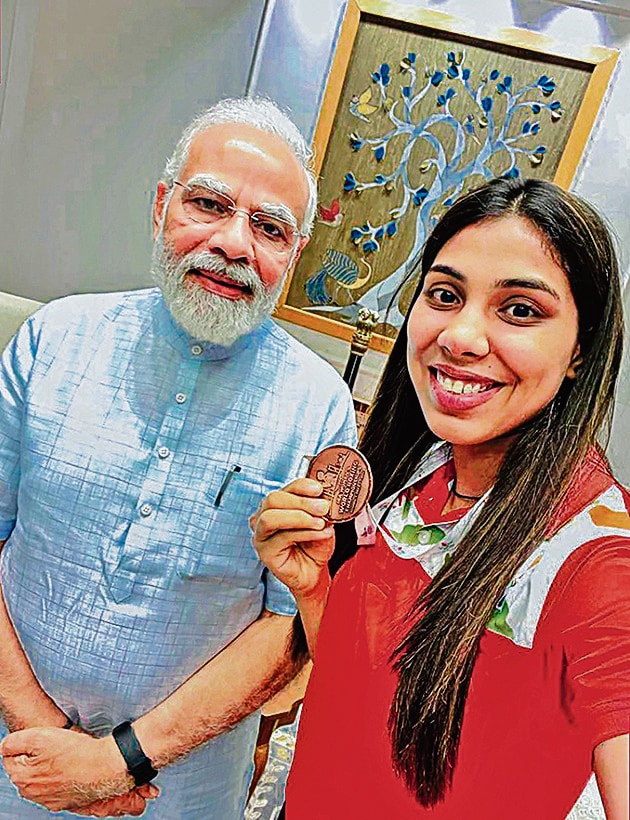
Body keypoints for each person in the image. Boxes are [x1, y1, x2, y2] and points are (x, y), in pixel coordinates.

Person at [0, 96, 356, 818]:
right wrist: (38, 727)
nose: (233, 243)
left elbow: (289, 626)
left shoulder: (320, 407)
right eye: (209, 204)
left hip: (177, 791)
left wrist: (119, 762)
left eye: (269, 227)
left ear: (292, 255)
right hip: (14, 760)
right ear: (161, 205)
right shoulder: (53, 340)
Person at [252, 177, 630, 819]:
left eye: (520, 310)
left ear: (581, 351)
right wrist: (314, 588)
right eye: (445, 295)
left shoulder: (595, 556)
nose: (459, 336)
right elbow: (360, 693)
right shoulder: (415, 472)